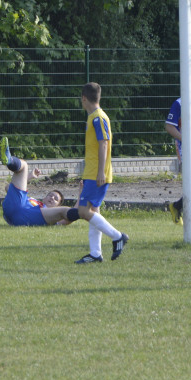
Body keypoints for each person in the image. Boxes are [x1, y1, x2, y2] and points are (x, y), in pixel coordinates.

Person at [75, 83, 129, 264]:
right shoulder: (94, 117)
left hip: (96, 174)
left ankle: (117, 236)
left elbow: (103, 144)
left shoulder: (98, 118)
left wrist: (100, 172)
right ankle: (95, 253)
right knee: (93, 211)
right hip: (91, 172)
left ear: (84, 98)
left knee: (83, 211)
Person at [0, 137, 81, 227]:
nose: (52, 198)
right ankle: (9, 160)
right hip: (13, 208)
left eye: (56, 199)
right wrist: (29, 177)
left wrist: (81, 194)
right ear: (44, 198)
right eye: (50, 195)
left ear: (57, 206)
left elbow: (68, 220)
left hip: (31, 217)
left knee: (65, 211)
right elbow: (8, 188)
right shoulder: (33, 201)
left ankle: (89, 215)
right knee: (24, 166)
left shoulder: (52, 216)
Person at [164, 73, 191, 225]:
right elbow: (169, 126)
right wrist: (186, 140)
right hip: (187, 150)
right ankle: (181, 208)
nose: (190, 84)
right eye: (187, 82)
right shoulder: (179, 103)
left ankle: (177, 206)